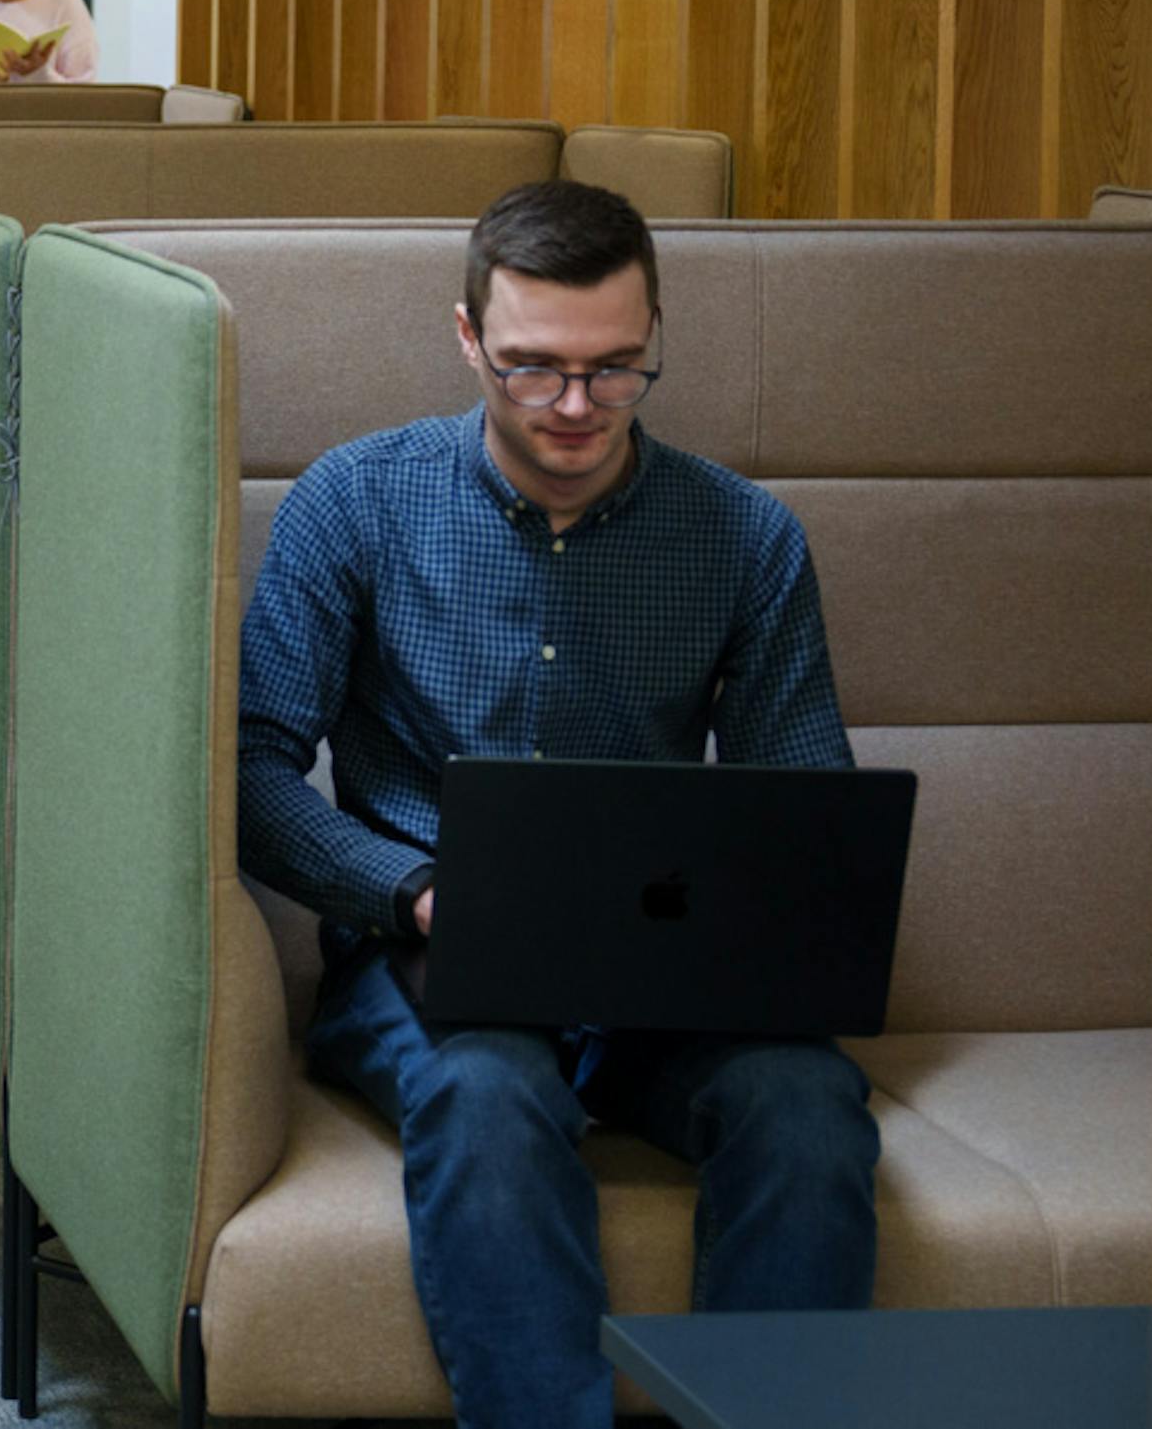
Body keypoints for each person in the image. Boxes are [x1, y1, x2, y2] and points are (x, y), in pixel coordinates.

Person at [235, 182, 876, 1429]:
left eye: (614, 370)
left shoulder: (745, 538)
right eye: (532, 370)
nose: (575, 407)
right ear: (467, 336)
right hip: (424, 948)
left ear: (652, 340)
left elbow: (809, 808)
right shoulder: (356, 503)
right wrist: (410, 888)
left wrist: (752, 915)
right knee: (488, 1094)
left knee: (808, 1111)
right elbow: (253, 773)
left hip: (661, 977)